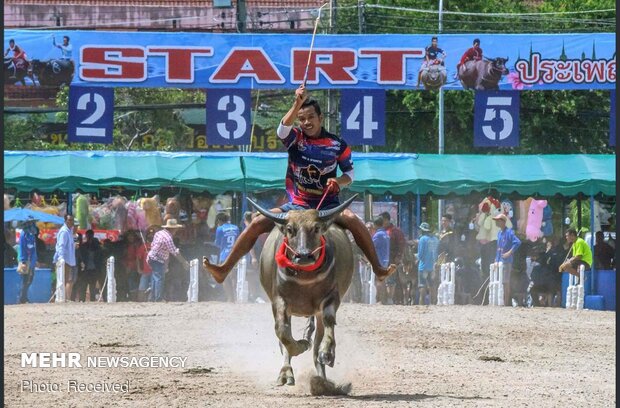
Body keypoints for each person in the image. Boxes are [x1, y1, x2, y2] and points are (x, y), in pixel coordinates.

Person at [203, 84, 396, 284]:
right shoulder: (295, 138)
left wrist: (338, 181)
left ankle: (378, 269)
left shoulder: (338, 145)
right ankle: (224, 269)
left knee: (353, 220)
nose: (306, 122)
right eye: (302, 119)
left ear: (321, 118)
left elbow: (349, 174)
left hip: (327, 207)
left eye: (310, 117)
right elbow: (281, 129)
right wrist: (297, 103)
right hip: (297, 205)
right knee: (257, 222)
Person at [146, 219, 190, 302]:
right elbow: (174, 251)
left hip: (152, 257)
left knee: (155, 277)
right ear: (173, 229)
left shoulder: (159, 233)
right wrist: (183, 262)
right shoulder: (168, 238)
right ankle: (158, 298)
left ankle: (152, 298)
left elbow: (153, 245)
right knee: (159, 278)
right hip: (157, 259)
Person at [493, 213, 521, 306]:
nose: (496, 222)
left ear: (502, 221)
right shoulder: (499, 233)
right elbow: (498, 248)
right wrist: (496, 260)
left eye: (498, 220)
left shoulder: (509, 232)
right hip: (500, 261)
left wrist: (509, 252)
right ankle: (500, 301)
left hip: (507, 261)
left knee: (506, 282)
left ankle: (506, 302)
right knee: (500, 281)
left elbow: (517, 242)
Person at [380, 211, 406, 304]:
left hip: (392, 259)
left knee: (391, 280)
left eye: (381, 220)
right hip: (382, 259)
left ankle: (390, 299)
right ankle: (382, 299)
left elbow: (402, 244)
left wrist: (398, 256)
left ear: (386, 220)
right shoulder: (380, 230)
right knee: (382, 280)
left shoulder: (396, 231)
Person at [214, 212, 240, 302]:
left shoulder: (220, 229)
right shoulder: (236, 227)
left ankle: (230, 298)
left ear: (219, 220)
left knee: (224, 277)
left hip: (224, 255)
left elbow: (217, 243)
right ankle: (236, 297)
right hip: (235, 254)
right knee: (234, 277)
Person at [53, 214, 77, 301]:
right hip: (64, 260)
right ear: (65, 221)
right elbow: (61, 246)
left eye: (72, 220)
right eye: (69, 220)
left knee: (66, 280)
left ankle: (65, 298)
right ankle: (63, 298)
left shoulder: (69, 231)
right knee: (64, 280)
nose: (71, 222)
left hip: (69, 260)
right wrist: (61, 259)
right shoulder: (64, 232)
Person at [77, 230, 103, 302]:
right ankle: (82, 300)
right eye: (88, 236)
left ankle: (92, 300)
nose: (89, 237)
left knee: (92, 286)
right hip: (85, 269)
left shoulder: (96, 246)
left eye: (90, 235)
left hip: (93, 269)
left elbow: (99, 256)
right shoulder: (83, 246)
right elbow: (80, 256)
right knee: (83, 286)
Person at [417, 222, 439, 305]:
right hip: (432, 266)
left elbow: (420, 254)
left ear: (422, 230)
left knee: (422, 285)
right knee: (432, 285)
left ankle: (421, 303)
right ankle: (433, 302)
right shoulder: (436, 239)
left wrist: (417, 259)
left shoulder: (422, 239)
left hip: (423, 266)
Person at [371, 216, 390, 304]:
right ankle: (383, 300)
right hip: (385, 260)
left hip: (379, 260)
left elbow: (371, 246)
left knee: (378, 282)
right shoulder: (386, 234)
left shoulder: (378, 235)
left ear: (375, 225)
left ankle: (380, 300)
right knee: (382, 280)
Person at [18, 220, 38, 304]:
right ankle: (22, 298)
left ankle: (24, 297)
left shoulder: (31, 234)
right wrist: (23, 261)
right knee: (25, 280)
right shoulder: (23, 234)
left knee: (31, 278)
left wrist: (35, 259)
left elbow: (33, 247)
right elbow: (22, 248)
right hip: (25, 260)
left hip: (32, 260)